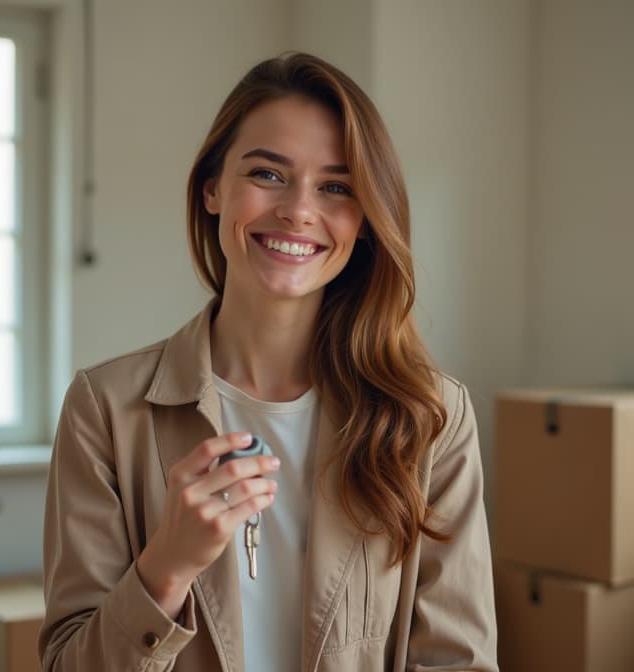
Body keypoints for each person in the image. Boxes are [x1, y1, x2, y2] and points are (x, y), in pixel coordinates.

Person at [39, 52, 498, 672]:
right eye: (268, 173)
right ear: (212, 189)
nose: (299, 210)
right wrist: (166, 566)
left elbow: (458, 661)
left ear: (364, 222)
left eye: (336, 187)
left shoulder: (432, 417)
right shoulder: (103, 409)